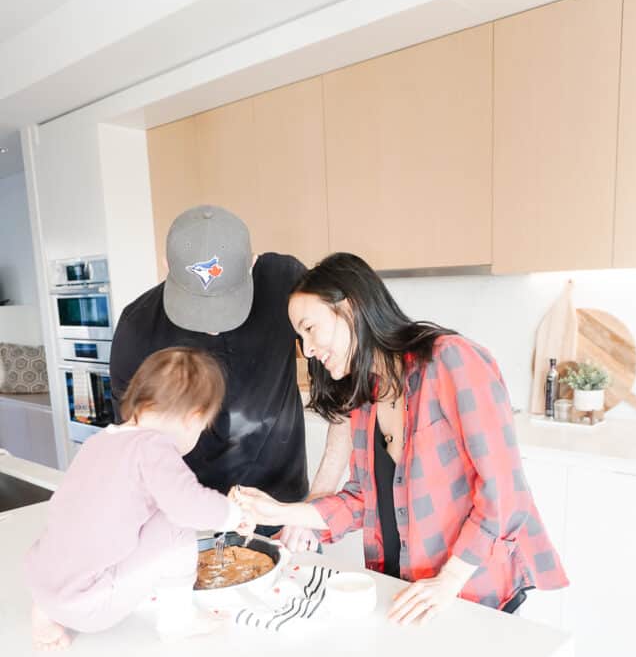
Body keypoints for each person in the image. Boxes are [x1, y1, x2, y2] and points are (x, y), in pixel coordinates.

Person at [237, 253, 569, 624]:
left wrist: (449, 581)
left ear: (350, 307)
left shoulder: (451, 361)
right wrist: (279, 511)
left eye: (310, 329)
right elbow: (362, 499)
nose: (308, 349)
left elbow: (504, 490)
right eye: (301, 337)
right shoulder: (365, 398)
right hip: (405, 590)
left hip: (474, 594)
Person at [109, 205, 350, 547]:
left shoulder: (284, 283)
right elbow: (131, 447)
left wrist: (314, 507)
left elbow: (346, 387)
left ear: (253, 263)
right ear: (167, 267)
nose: (212, 324)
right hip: (186, 521)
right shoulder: (138, 327)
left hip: (283, 513)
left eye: (225, 304)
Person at [26, 347, 255, 650]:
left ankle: (48, 611)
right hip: (92, 605)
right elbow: (188, 506)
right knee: (175, 521)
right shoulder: (153, 447)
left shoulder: (98, 441)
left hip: (42, 583)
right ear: (194, 418)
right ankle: (179, 620)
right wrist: (233, 514)